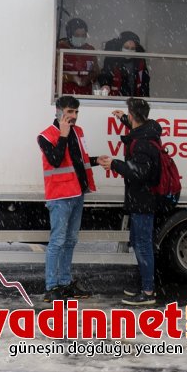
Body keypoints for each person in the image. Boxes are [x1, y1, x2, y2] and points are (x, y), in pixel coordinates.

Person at [37, 95, 103, 301]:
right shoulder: (46, 136)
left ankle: (65, 283)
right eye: (69, 112)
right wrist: (63, 135)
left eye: (76, 112)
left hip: (77, 193)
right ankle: (51, 287)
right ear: (58, 112)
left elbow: (78, 161)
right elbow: (56, 160)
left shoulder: (78, 132)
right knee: (57, 241)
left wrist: (96, 161)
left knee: (70, 241)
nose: (73, 116)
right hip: (60, 196)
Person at [98, 98, 161, 305]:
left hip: (142, 201)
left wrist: (114, 164)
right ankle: (145, 285)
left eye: (128, 113)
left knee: (143, 246)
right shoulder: (147, 132)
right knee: (139, 244)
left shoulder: (142, 143)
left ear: (134, 116)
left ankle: (148, 292)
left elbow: (139, 173)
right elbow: (137, 129)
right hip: (141, 200)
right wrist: (124, 119)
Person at [98, 31, 150, 97]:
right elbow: (105, 74)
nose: (129, 50)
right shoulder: (112, 60)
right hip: (116, 100)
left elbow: (145, 83)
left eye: (132, 48)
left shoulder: (140, 62)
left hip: (135, 100)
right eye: (126, 47)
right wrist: (105, 84)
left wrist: (145, 99)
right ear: (120, 47)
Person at [57, 18, 98, 95]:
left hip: (85, 95)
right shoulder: (61, 49)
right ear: (69, 35)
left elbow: (95, 72)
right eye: (77, 35)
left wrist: (88, 79)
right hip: (65, 94)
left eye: (83, 35)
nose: (80, 38)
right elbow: (55, 74)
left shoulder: (90, 49)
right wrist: (73, 78)